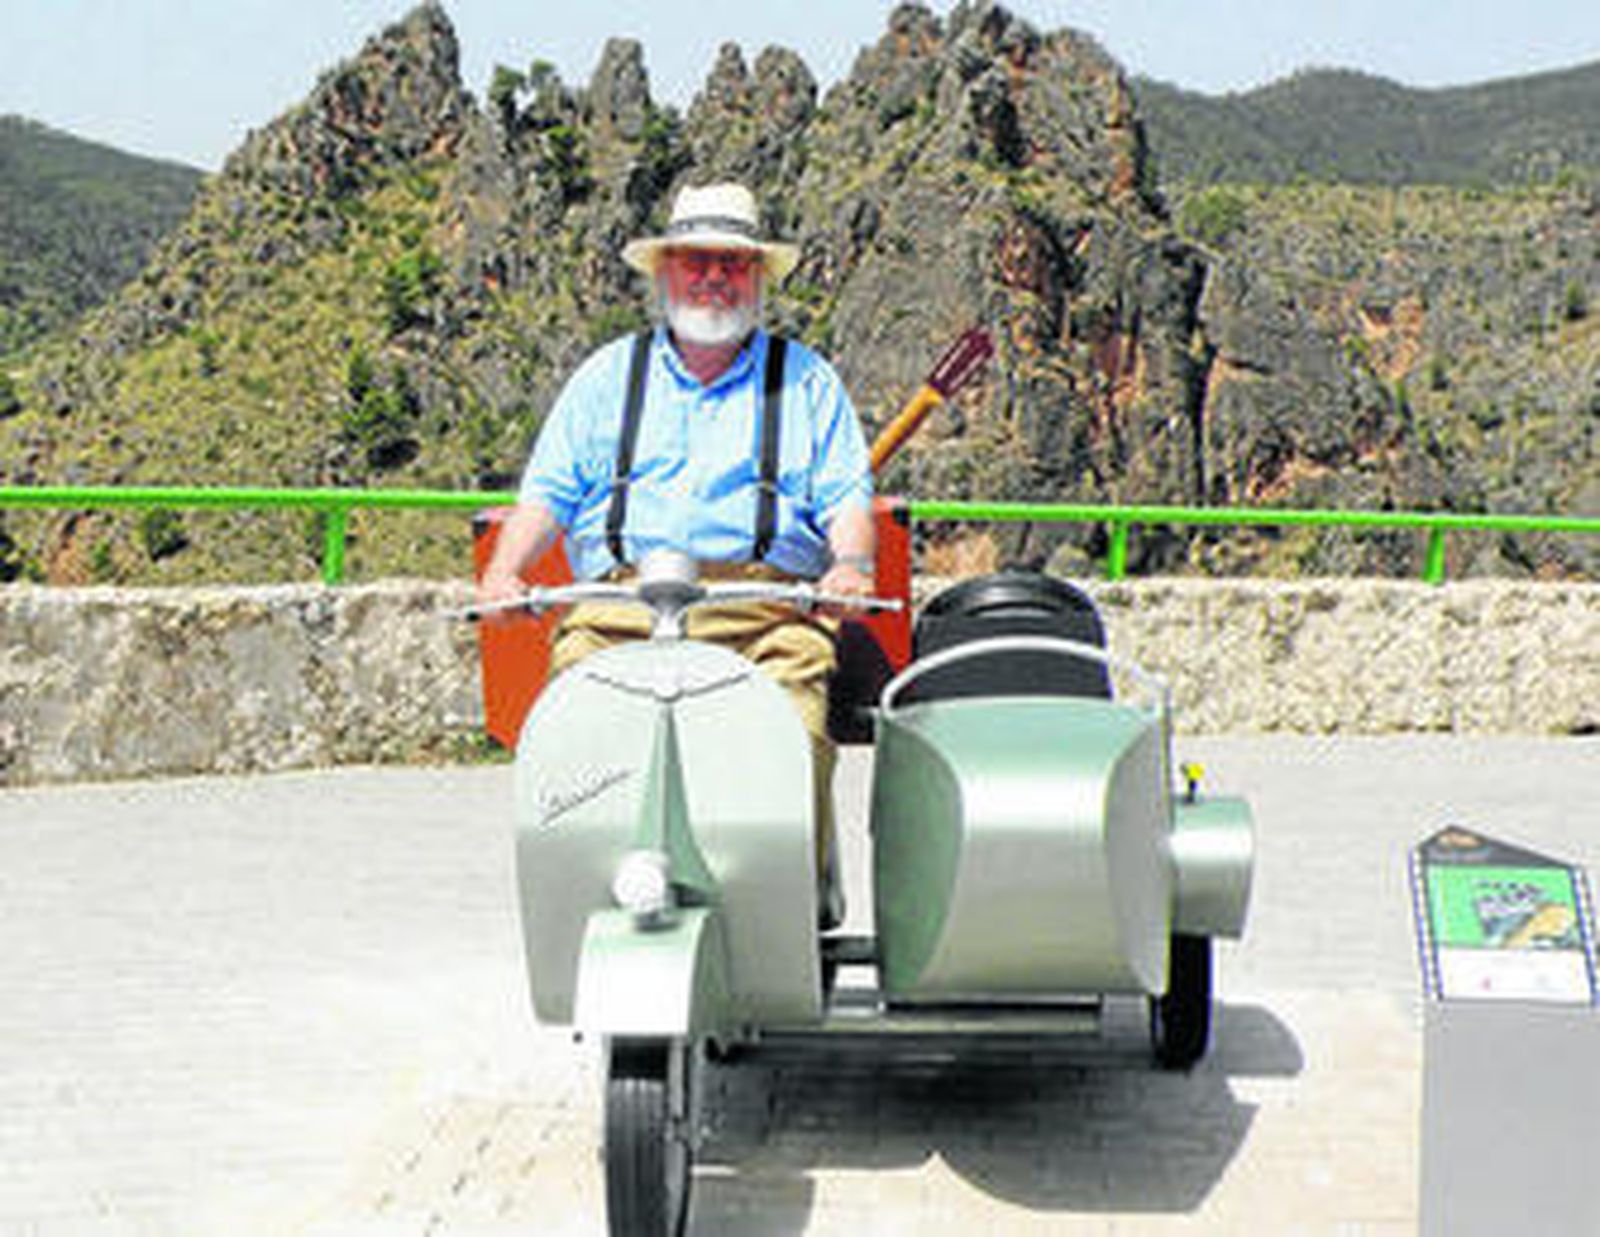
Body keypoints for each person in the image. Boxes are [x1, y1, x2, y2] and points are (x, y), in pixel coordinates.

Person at [478, 182, 874, 926]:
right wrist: (506, 571)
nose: (714, 279)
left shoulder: (808, 381)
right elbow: (551, 491)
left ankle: (789, 903)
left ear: (758, 278)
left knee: (795, 733)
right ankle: (584, 913)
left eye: (733, 264)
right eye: (697, 263)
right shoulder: (606, 378)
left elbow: (846, 495)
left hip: (762, 610)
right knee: (575, 739)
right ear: (665, 273)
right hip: (619, 608)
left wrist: (847, 566)